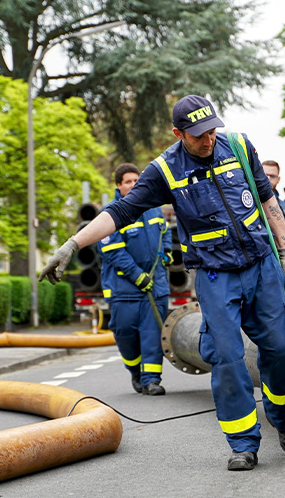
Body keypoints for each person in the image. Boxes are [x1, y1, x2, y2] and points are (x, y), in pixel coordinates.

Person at [40, 95, 285, 472]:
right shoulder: (165, 170)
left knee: (281, 347)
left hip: (262, 265)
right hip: (216, 275)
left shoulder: (241, 147)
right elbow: (119, 211)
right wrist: (73, 243)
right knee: (227, 357)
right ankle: (243, 443)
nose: (209, 139)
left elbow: (268, 200)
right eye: (199, 135)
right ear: (178, 133)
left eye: (212, 130)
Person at [97, 163, 171, 396]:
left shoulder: (153, 208)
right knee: (125, 334)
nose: (133, 185)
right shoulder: (111, 213)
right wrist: (137, 275)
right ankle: (136, 373)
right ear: (119, 185)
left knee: (153, 334)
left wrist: (166, 253)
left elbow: (164, 232)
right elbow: (112, 250)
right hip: (124, 288)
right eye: (128, 181)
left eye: (136, 181)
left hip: (155, 285)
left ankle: (151, 380)